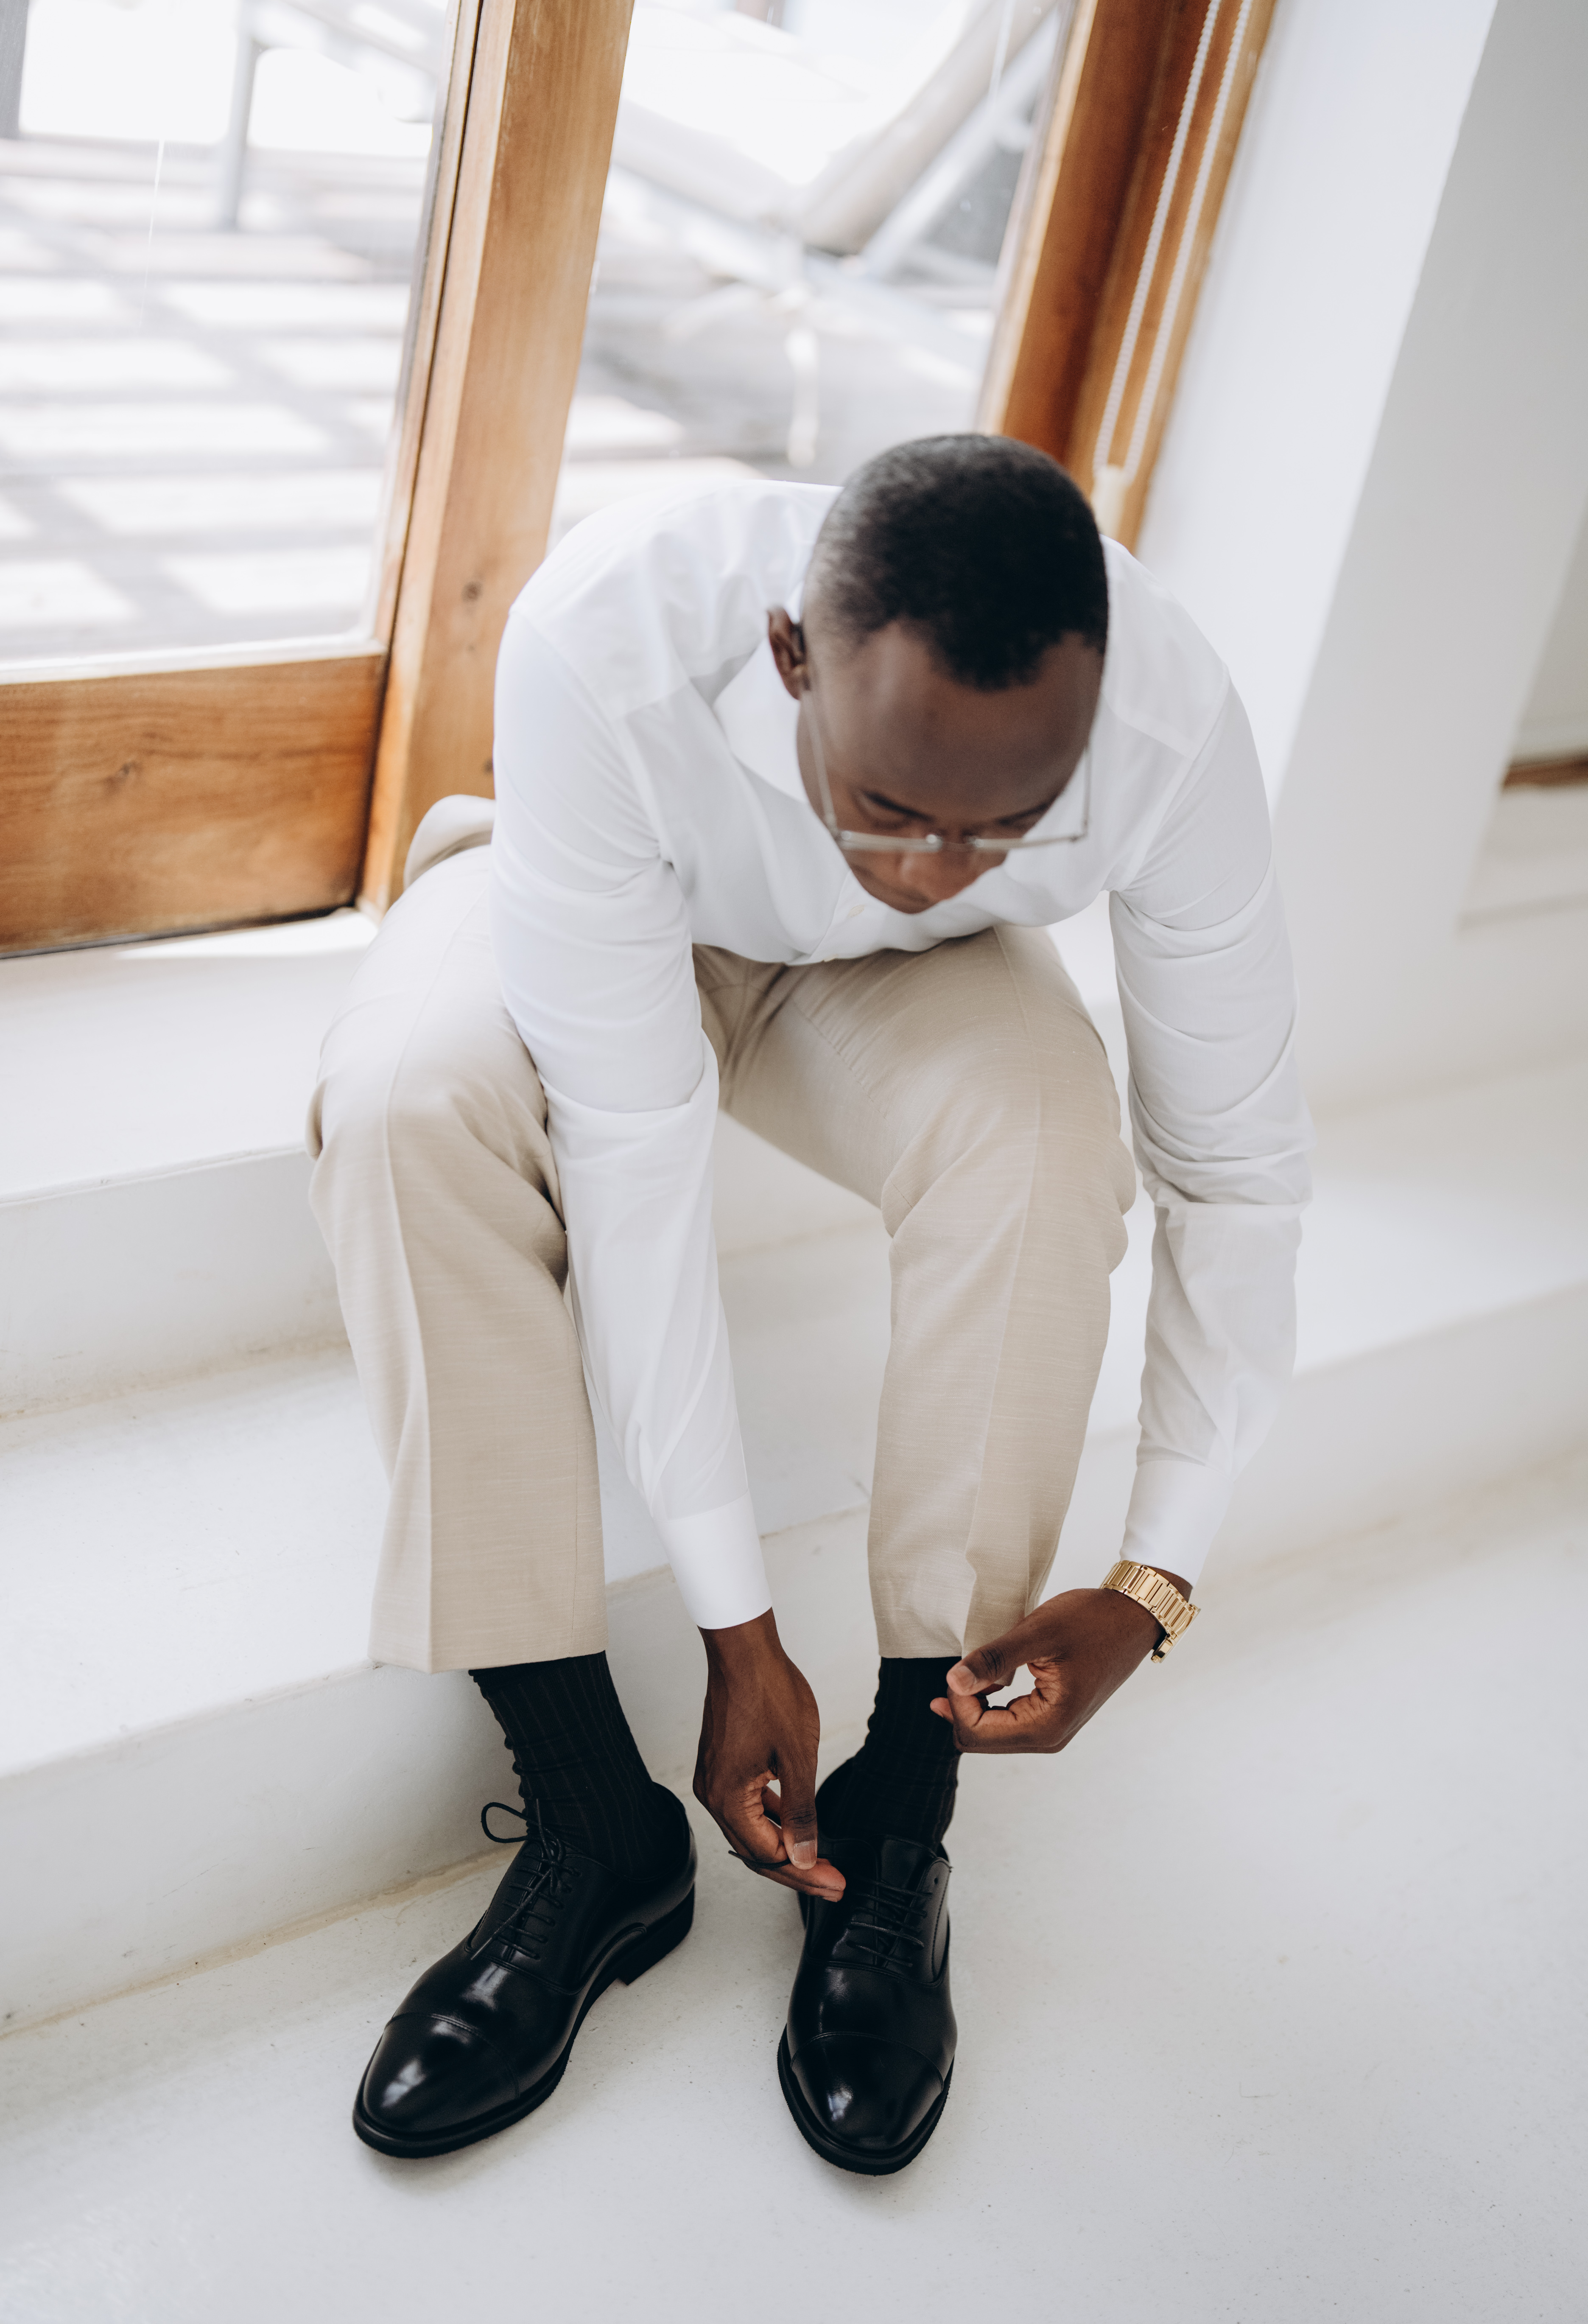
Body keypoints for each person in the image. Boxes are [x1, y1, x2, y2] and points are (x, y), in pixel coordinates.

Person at [309, 434, 1311, 2176]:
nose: (935, 866)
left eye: (1002, 829)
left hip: (887, 999)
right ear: (791, 656)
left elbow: (1237, 1171)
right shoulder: (609, 637)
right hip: (599, 899)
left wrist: (1154, 1584)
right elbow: (637, 1168)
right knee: (410, 1107)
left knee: (1044, 1128)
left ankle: (900, 1812)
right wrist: (738, 1629)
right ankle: (590, 1825)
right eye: (892, 809)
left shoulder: (1168, 730)